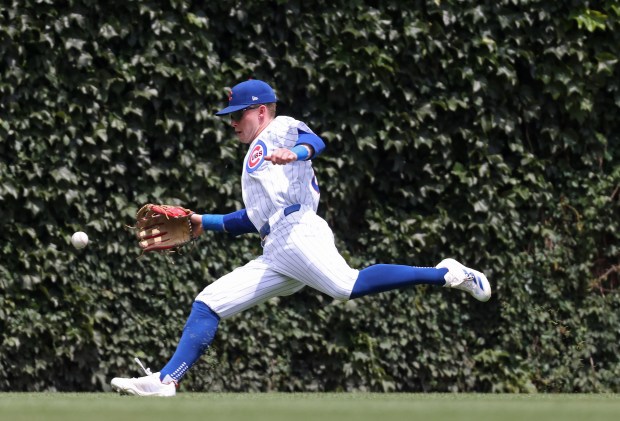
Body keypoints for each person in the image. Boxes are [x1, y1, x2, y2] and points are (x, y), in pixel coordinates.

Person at [110, 79, 491, 396]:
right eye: (230, 117)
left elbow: (316, 142)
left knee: (346, 286)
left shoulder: (277, 128)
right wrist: (199, 221)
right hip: (276, 246)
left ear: (261, 110)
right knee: (209, 303)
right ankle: (166, 380)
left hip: (298, 232)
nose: (233, 123)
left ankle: (445, 273)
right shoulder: (253, 161)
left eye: (238, 114)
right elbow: (252, 219)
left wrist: (295, 153)